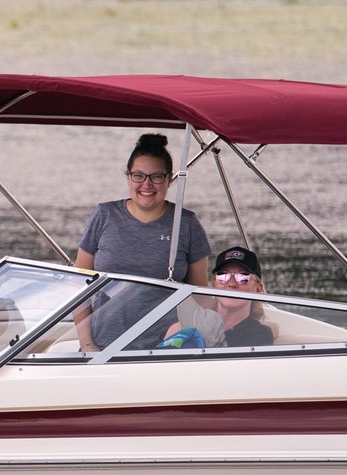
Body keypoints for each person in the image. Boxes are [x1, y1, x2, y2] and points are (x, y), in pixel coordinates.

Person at [74, 133, 211, 352]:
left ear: (169, 179)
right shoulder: (104, 215)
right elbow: (79, 284)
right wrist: (87, 343)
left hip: (165, 348)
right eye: (138, 176)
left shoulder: (187, 224)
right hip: (101, 346)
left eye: (156, 177)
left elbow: (200, 295)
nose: (146, 184)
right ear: (128, 177)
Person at [209, 245, 274, 347]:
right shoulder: (196, 324)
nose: (231, 284)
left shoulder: (260, 335)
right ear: (214, 285)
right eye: (223, 276)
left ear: (258, 288)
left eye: (243, 278)